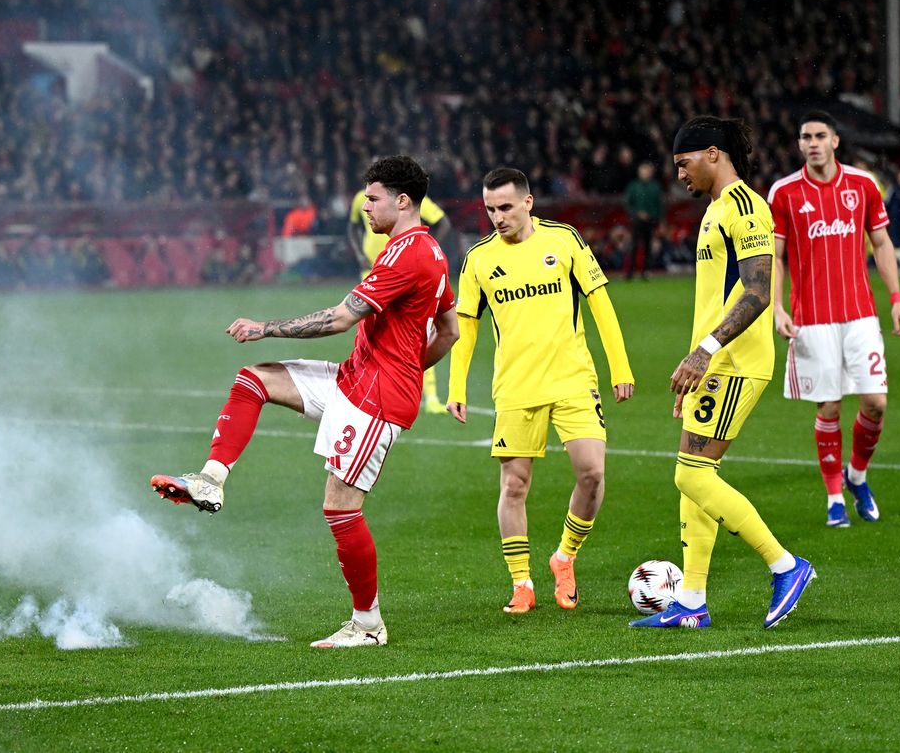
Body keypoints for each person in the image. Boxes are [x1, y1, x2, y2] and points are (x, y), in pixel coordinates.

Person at [152, 156, 459, 648]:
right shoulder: (429, 252)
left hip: (376, 398)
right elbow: (450, 330)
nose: (366, 208)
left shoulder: (410, 254)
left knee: (340, 508)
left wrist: (265, 327)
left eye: (373, 198)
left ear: (403, 202)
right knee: (255, 379)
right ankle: (211, 481)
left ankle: (367, 625)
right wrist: (410, 366)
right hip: (356, 378)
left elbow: (339, 319)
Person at [632, 115, 815, 630]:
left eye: (683, 163)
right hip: (714, 364)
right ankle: (691, 601)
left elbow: (758, 291)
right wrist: (696, 362)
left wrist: (706, 352)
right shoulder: (715, 210)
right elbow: (718, 297)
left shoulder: (745, 208)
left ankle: (785, 565)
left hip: (736, 362)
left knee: (690, 473)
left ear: (713, 153)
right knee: (693, 478)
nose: (680, 174)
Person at [446, 167, 634, 615]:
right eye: (490, 209)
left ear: (528, 202)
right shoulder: (478, 260)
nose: (498, 217)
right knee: (514, 485)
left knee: (592, 473)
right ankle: (521, 583)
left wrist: (620, 366)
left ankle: (564, 558)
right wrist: (456, 386)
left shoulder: (564, 240)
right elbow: (466, 328)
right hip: (515, 387)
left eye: (506, 207)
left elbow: (600, 304)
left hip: (573, 379)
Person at [767, 110, 900, 528]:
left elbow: (881, 243)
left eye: (819, 135)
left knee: (875, 403)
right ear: (799, 145)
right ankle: (834, 498)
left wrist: (896, 298)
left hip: (861, 314)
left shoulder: (863, 185)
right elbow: (776, 256)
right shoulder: (784, 193)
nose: (812, 142)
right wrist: (778, 307)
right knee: (829, 406)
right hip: (812, 319)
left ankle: (857, 476)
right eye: (805, 136)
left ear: (835, 141)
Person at [348, 184, 453, 414]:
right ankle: (366, 384)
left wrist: (426, 246)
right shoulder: (360, 199)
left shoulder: (411, 201)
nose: (368, 206)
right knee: (371, 332)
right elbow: (353, 227)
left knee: (415, 332)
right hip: (373, 271)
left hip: (406, 272)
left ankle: (431, 396)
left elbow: (443, 222)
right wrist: (359, 254)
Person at [624, 162, 665, 279]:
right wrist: (637, 214)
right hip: (636, 221)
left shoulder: (655, 187)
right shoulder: (633, 186)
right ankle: (630, 271)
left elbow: (659, 206)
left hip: (650, 221)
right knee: (634, 246)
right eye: (643, 171)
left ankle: (645, 271)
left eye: (647, 171)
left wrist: (656, 218)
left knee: (647, 246)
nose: (645, 173)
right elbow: (628, 204)